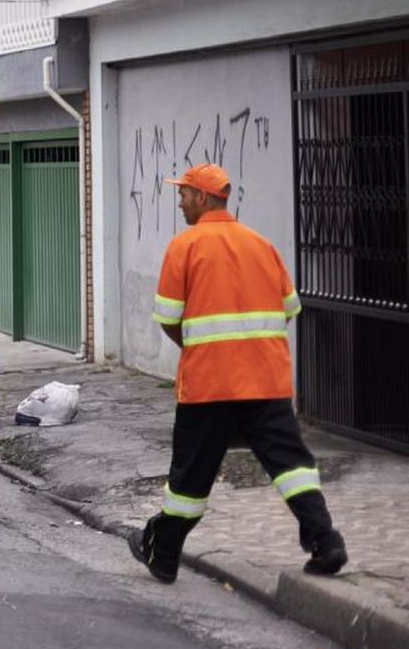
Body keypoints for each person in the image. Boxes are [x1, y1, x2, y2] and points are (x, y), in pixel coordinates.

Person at [130, 163, 345, 582]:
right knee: (292, 466)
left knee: (191, 476)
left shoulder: (184, 246)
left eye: (184, 194)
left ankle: (163, 553)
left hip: (209, 385)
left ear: (203, 198)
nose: (180, 202)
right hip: (266, 382)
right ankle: (326, 542)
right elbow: (289, 308)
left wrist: (200, 347)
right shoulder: (261, 245)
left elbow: (168, 318)